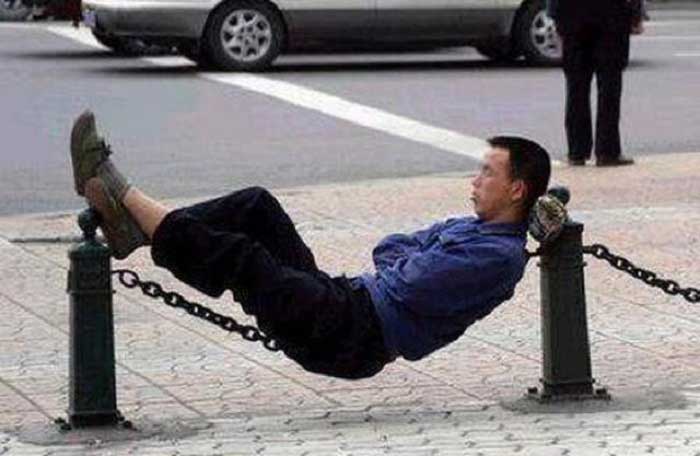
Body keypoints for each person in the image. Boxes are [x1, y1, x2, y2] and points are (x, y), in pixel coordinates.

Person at [70, 111, 553, 380]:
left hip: (354, 336)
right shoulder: (473, 229)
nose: (475, 180)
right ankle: (142, 229)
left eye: (487, 173)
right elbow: (390, 248)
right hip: (346, 302)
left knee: (245, 258)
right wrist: (411, 262)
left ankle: (124, 196)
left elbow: (409, 283)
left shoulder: (497, 256)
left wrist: (410, 264)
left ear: (516, 190)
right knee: (257, 206)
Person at [548, 0, 645, 167]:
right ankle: (607, 151)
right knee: (609, 84)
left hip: (572, 14)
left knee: (576, 86)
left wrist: (555, 14)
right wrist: (636, 14)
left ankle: (577, 151)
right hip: (612, 14)